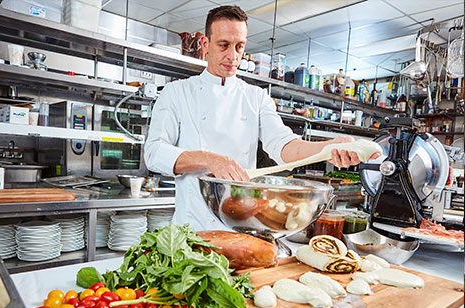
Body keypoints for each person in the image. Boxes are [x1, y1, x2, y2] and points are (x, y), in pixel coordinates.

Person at [144, 5, 378, 230]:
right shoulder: (177, 92)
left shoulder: (255, 97)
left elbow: (284, 146)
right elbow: (154, 154)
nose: (233, 56)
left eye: (239, 47)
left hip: (243, 226)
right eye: (224, 45)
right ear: (206, 44)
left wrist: (329, 147)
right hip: (193, 225)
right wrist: (210, 159)